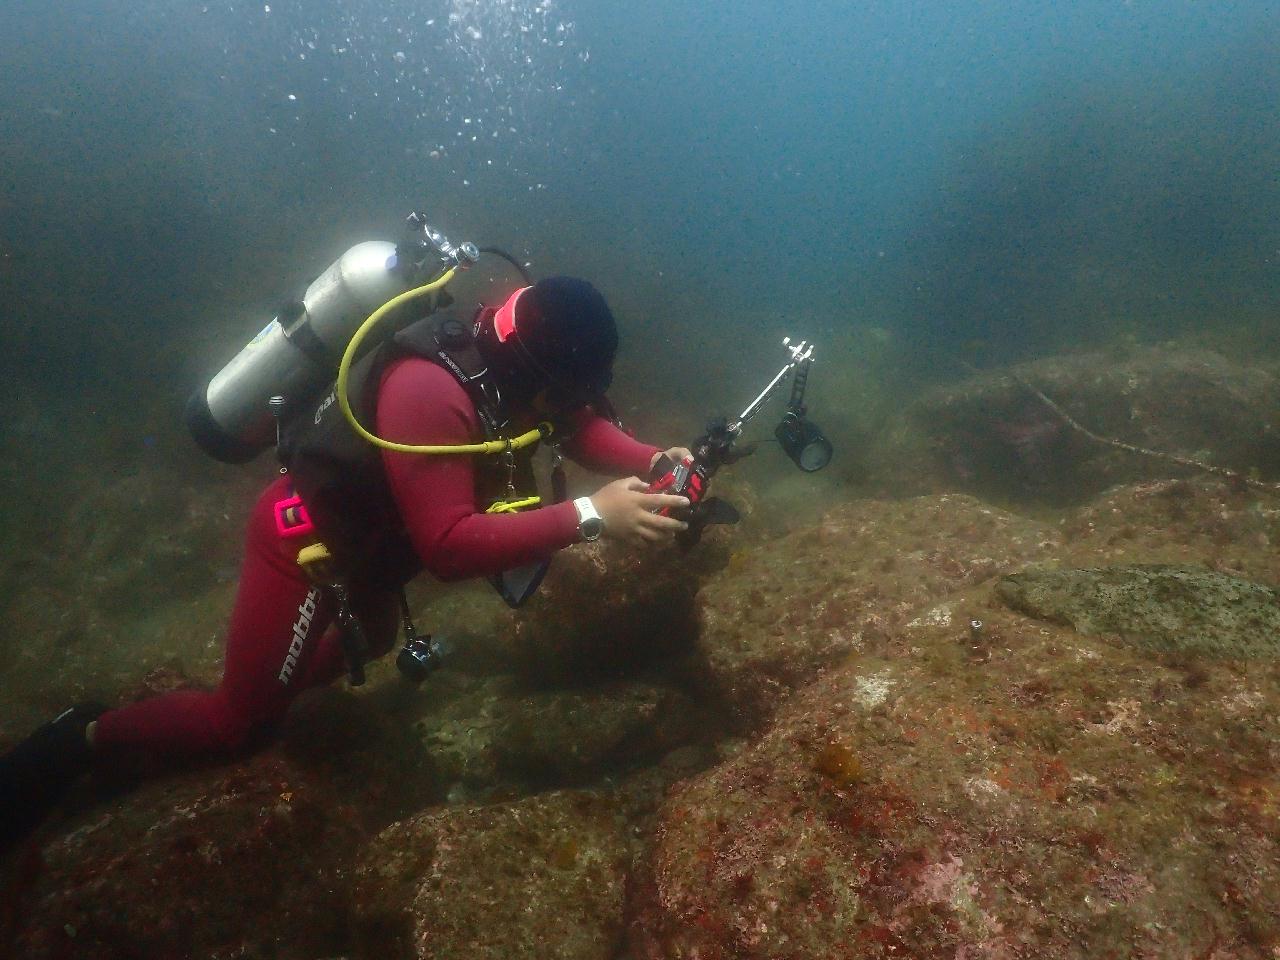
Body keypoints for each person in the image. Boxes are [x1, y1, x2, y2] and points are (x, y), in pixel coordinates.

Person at [0, 276, 691, 852]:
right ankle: (81, 737)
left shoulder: (518, 363)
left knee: (378, 640)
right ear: (532, 369)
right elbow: (446, 548)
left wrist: (653, 459)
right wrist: (591, 516)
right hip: (305, 545)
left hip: (367, 556)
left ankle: (271, 677)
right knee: (236, 724)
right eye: (566, 392)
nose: (572, 406)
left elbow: (579, 424)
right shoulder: (431, 390)